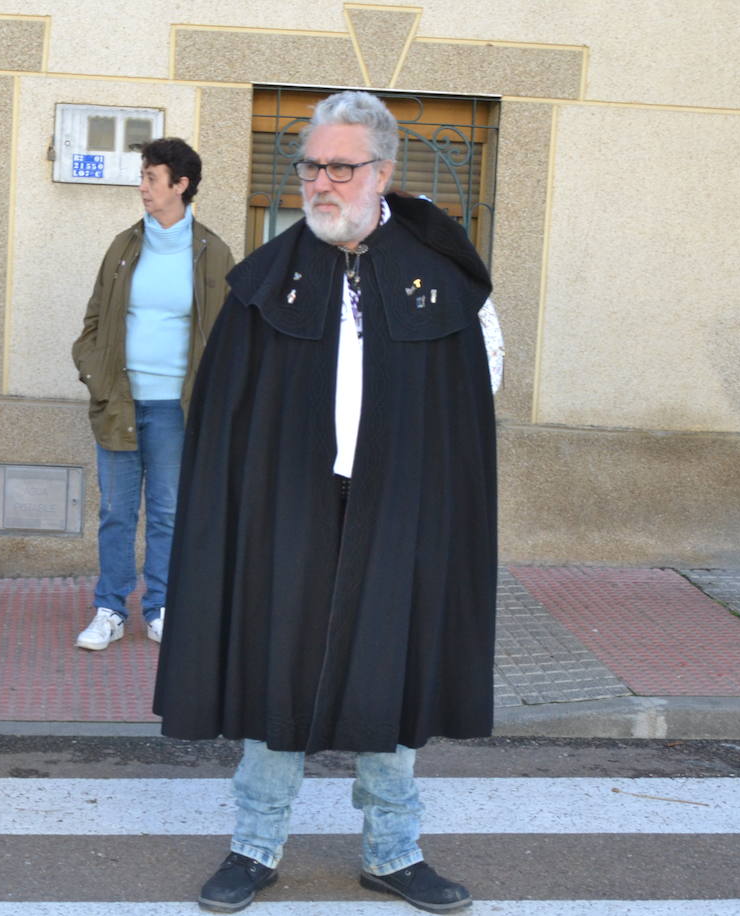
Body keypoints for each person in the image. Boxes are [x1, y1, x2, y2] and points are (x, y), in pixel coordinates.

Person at [152, 90, 503, 913]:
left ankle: (394, 852)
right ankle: (254, 845)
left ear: (382, 173)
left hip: (400, 507)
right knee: (277, 672)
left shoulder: (444, 282)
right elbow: (227, 415)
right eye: (309, 166)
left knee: (392, 670)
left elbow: (472, 399)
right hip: (288, 510)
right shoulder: (265, 282)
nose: (320, 183)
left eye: (339, 168)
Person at [70, 137, 234, 650]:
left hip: (176, 409)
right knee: (117, 512)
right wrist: (95, 375)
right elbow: (94, 320)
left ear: (180, 185)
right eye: (142, 177)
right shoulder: (123, 246)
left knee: (167, 512)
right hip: (118, 401)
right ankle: (110, 609)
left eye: (151, 179)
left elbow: (230, 332)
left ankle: (161, 607)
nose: (142, 187)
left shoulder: (212, 252)